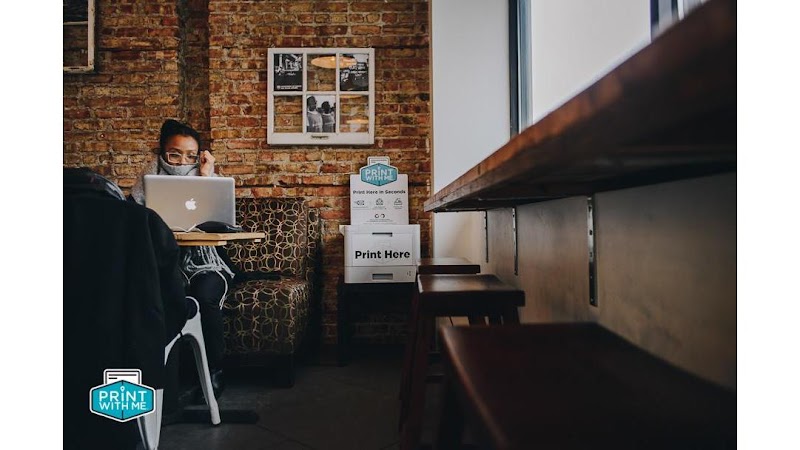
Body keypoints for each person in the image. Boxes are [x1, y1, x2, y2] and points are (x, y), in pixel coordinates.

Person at [131, 119, 230, 401]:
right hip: (161, 263)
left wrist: (206, 175)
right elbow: (136, 223)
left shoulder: (206, 178)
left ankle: (213, 373)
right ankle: (163, 383)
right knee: (155, 294)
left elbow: (221, 223)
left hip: (205, 262)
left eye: (190, 155)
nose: (182, 161)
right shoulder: (145, 182)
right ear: (161, 152)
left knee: (204, 293)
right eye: (175, 154)